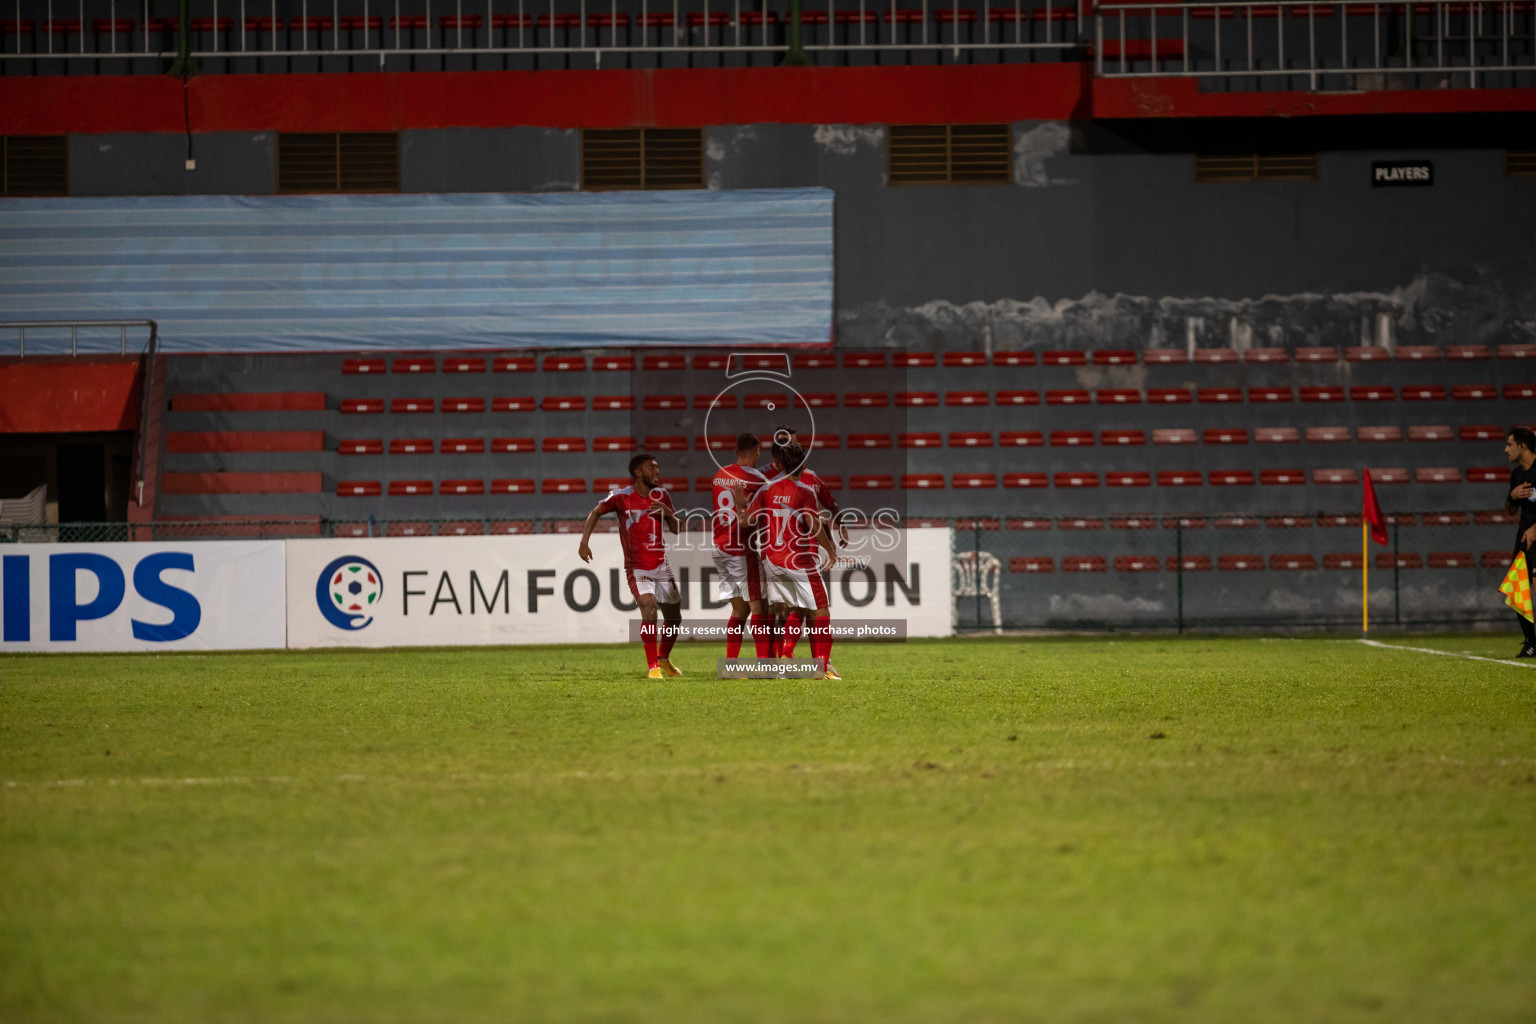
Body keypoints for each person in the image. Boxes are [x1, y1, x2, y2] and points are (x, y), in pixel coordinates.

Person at [736, 441, 840, 679]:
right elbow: (813, 524)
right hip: (799, 561)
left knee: (799, 608)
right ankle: (821, 669)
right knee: (821, 610)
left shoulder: (765, 490)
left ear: (780, 464)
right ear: (804, 464)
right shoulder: (805, 491)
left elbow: (745, 521)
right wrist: (831, 551)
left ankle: (784, 657)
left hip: (772, 562)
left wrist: (740, 506)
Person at [577, 453, 683, 678]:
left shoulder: (662, 495)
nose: (657, 472)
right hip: (637, 567)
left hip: (661, 565)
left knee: (674, 618)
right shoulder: (621, 497)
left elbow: (676, 528)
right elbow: (596, 512)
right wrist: (584, 542)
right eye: (652, 468)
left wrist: (668, 514)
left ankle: (663, 658)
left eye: (657, 467)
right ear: (638, 472)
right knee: (649, 607)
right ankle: (653, 666)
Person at [709, 432, 770, 659]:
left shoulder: (719, 474)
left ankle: (730, 664)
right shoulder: (756, 479)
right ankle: (765, 664)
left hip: (719, 546)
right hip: (741, 548)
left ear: (736, 452)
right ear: (757, 452)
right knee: (758, 608)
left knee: (739, 609)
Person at [1504, 426, 1536, 657]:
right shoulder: (1516, 474)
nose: (1506, 449)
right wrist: (1512, 496)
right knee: (1517, 589)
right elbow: (1509, 510)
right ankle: (1531, 642)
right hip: (1523, 538)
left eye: (1509, 444)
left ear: (1522, 446)